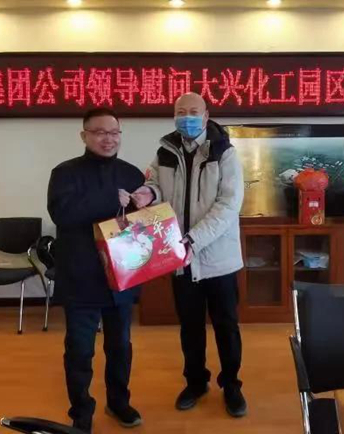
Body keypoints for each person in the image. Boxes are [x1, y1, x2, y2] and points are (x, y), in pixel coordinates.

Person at [130, 92, 247, 417]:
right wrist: (147, 193)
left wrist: (194, 239)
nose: (187, 117)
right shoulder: (166, 150)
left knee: (226, 326)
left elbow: (228, 206)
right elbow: (156, 183)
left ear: (206, 116)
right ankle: (196, 382)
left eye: (193, 112)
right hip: (180, 258)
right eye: (180, 112)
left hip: (217, 258)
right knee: (190, 327)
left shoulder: (224, 152)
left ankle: (232, 385)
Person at [47, 107, 144, 432]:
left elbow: (143, 223)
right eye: (100, 132)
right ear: (84, 135)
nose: (108, 139)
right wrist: (110, 200)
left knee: (120, 347)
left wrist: (147, 200)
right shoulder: (65, 173)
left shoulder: (131, 174)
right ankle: (81, 412)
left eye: (114, 133)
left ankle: (118, 402)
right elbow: (63, 214)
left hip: (122, 277)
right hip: (81, 276)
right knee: (79, 350)